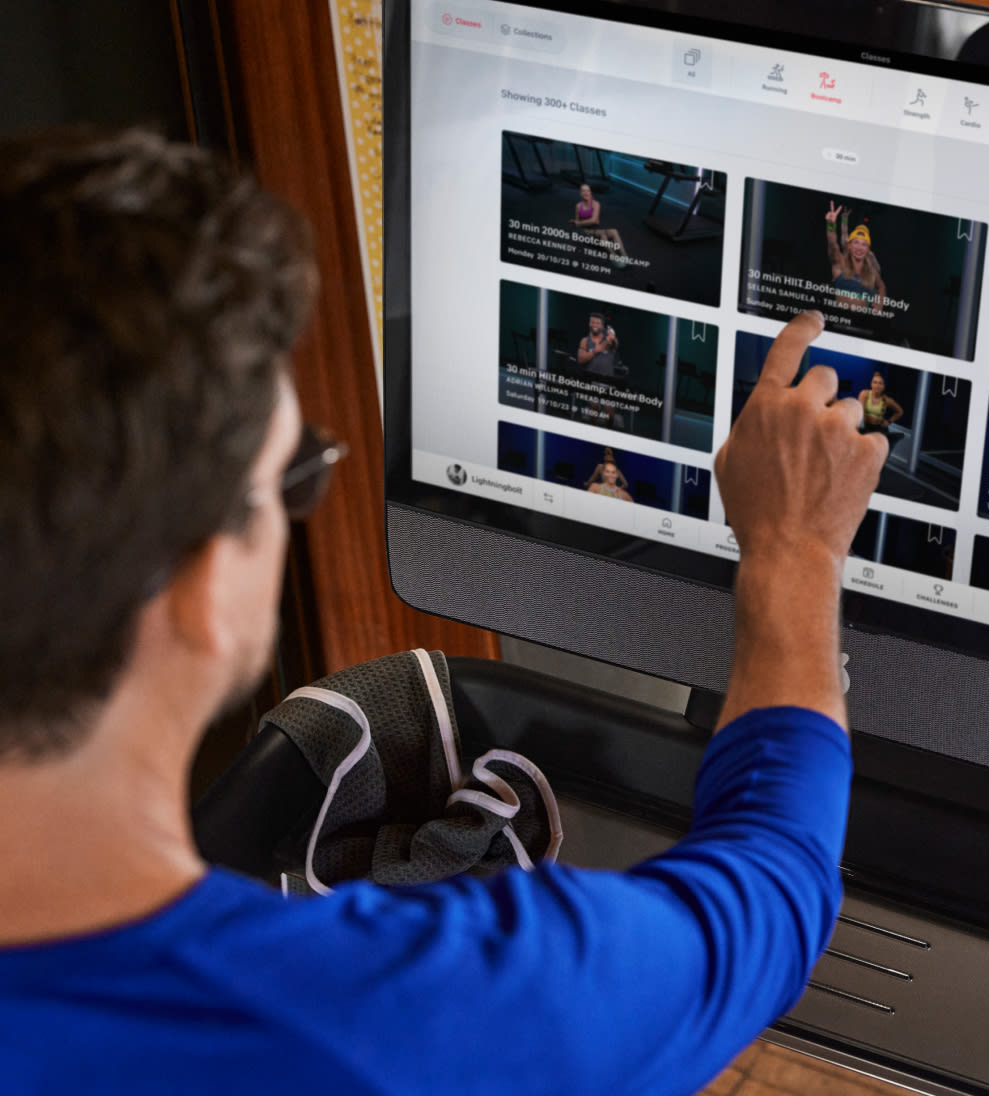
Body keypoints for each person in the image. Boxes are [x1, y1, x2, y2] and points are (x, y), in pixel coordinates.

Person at [0, 128, 886, 1095]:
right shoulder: (373, 1020)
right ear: (202, 587)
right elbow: (768, 901)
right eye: (291, 479)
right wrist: (796, 550)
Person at [825, 201, 885, 312]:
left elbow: (881, 285)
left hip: (862, 322)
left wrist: (880, 303)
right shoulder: (840, 263)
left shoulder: (872, 268)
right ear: (850, 245)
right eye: (856, 242)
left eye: (864, 244)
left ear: (868, 249)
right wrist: (831, 225)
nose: (859, 247)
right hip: (839, 319)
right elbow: (833, 245)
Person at [571, 182, 628, 261]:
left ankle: (625, 257)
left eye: (587, 191)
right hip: (585, 233)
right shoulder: (578, 206)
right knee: (602, 234)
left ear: (590, 192)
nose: (586, 193)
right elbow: (577, 224)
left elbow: (594, 221)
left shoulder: (596, 204)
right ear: (580, 193)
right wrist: (574, 223)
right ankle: (615, 258)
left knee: (613, 232)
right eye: (583, 191)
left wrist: (579, 223)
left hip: (596, 230)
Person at [858, 370, 903, 436]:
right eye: (875, 382)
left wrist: (888, 422)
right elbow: (859, 411)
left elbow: (900, 411)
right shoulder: (864, 394)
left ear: (883, 386)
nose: (877, 385)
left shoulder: (887, 400)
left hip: (879, 429)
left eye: (880, 383)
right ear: (871, 384)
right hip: (866, 427)